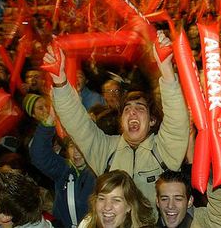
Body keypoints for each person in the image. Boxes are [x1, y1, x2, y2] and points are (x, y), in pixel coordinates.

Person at [43, 31, 189, 208]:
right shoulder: (105, 151)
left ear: (152, 121)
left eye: (140, 109)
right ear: (121, 122)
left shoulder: (165, 150)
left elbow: (177, 121)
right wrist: (59, 81)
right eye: (127, 109)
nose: (132, 113)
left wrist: (165, 68)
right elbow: (77, 123)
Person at [28, 94, 96, 228]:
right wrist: (50, 119)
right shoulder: (64, 169)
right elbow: (38, 154)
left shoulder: (99, 170)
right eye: (71, 146)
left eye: (80, 146)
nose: (76, 152)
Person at [155, 170, 221, 228]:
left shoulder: (203, 222)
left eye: (178, 199)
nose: (170, 206)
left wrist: (216, 173)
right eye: (164, 199)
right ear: (157, 201)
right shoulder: (150, 223)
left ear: (190, 201)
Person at [78, 170, 156, 228]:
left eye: (116, 200)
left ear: (129, 205)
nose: (107, 207)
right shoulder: (86, 224)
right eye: (102, 198)